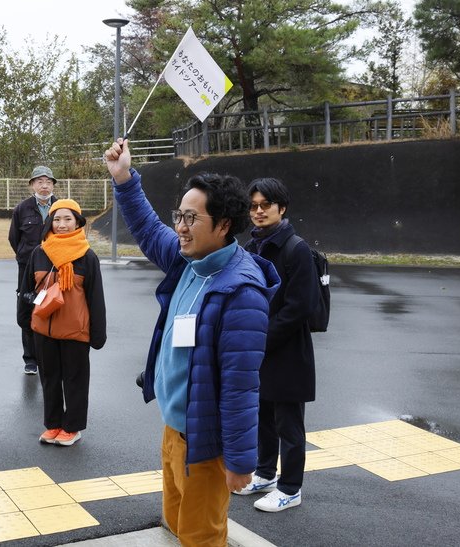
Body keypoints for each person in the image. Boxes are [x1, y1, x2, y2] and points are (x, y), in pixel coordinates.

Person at [104, 139, 280, 545]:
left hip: (206, 445)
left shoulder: (242, 293)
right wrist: (124, 178)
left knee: (201, 536)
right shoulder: (189, 260)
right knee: (176, 522)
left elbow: (240, 385)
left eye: (191, 218)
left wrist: (239, 460)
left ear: (223, 225)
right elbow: (149, 229)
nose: (180, 227)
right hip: (174, 430)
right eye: (179, 215)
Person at [233, 177, 319, 512]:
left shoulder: (297, 249)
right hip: (260, 349)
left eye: (265, 205)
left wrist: (262, 337)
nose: (258, 211)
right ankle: (266, 474)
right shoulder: (251, 247)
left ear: (281, 208)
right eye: (253, 206)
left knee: (289, 424)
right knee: (263, 417)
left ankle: (290, 488)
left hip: (288, 350)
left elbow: (300, 306)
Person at [17, 199, 106, 447]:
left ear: (78, 222)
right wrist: (24, 318)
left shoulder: (87, 257)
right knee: (50, 378)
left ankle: (72, 427)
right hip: (43, 330)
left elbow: (95, 297)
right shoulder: (39, 253)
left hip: (76, 331)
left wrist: (97, 334)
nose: (62, 224)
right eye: (56, 219)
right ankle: (54, 424)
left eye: (67, 219)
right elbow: (26, 289)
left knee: (75, 380)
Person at [9, 165, 58, 375]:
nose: (44, 186)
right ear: (32, 185)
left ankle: (51, 356)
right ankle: (30, 359)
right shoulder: (22, 209)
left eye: (48, 182)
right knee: (28, 307)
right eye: (40, 181)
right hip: (28, 268)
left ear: (53, 185)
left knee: (55, 307)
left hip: (56, 267)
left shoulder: (61, 208)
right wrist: (26, 257)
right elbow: (14, 239)